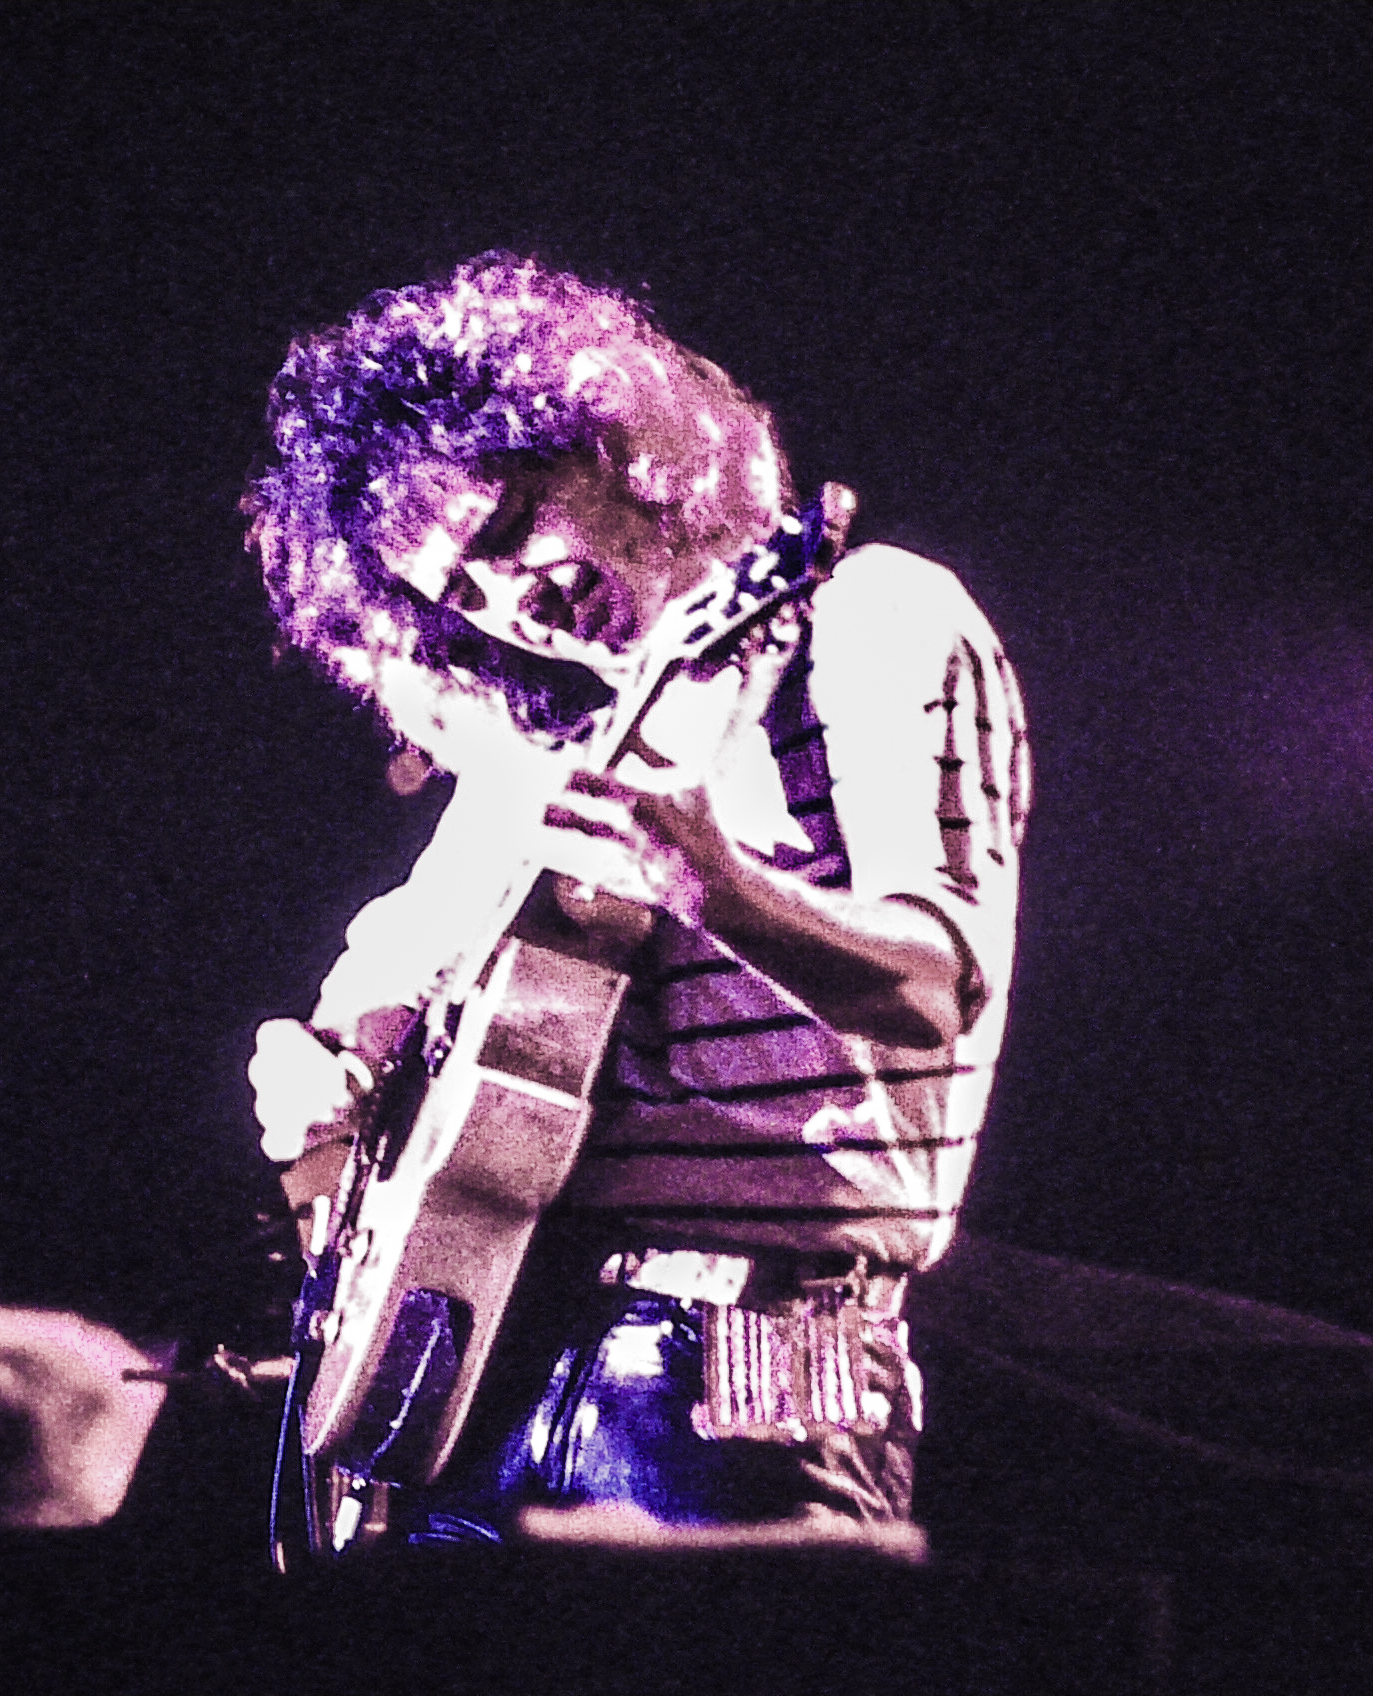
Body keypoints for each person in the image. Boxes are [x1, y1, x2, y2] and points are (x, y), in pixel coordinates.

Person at [239, 253, 1029, 1545]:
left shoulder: (871, 615)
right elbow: (386, 984)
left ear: (612, 443)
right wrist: (327, 1077)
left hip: (761, 1347)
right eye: (464, 594)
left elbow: (941, 984)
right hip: (484, 1367)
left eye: (509, 528)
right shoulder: (571, 738)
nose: (513, 598)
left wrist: (717, 888)